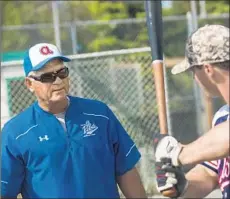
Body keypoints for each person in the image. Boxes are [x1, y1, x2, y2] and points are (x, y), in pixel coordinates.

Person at [1, 43, 147, 198]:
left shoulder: (100, 114)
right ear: (29, 84)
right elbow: (5, 191)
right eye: (47, 77)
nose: (57, 81)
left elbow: (126, 169)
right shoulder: (16, 132)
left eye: (62, 72)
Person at [153, 24, 229, 198]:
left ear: (208, 69)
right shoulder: (223, 117)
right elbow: (210, 174)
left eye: (193, 71)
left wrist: (177, 154)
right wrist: (181, 185)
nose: (194, 78)